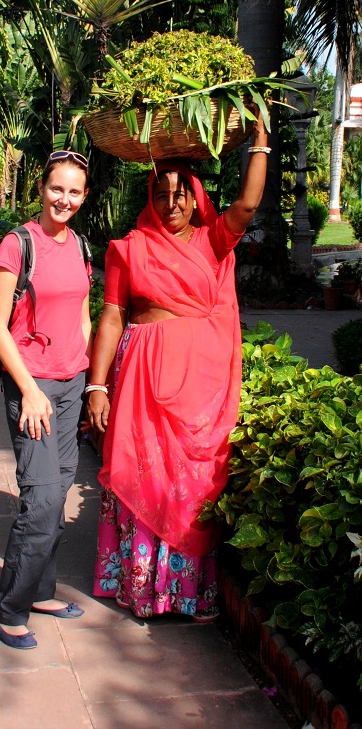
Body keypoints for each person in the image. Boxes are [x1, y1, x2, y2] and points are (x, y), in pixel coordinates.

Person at [87, 115, 270, 620]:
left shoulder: (212, 242)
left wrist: (260, 142)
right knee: (143, 474)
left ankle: (185, 594)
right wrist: (96, 386)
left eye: (180, 194)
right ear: (150, 199)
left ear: (195, 199)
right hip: (142, 378)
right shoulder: (129, 249)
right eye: (161, 194)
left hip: (199, 384)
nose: (171, 203)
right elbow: (112, 316)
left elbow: (247, 204)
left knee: (190, 484)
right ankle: (142, 588)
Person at [0, 150, 92, 649]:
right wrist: (28, 388)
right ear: (42, 189)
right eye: (56, 189)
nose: (63, 199)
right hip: (34, 386)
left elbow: (83, 315)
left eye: (74, 191)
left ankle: (42, 591)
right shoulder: (18, 243)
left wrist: (90, 379)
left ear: (83, 197)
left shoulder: (81, 246)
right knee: (42, 498)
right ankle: (8, 609)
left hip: (71, 384)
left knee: (59, 489)